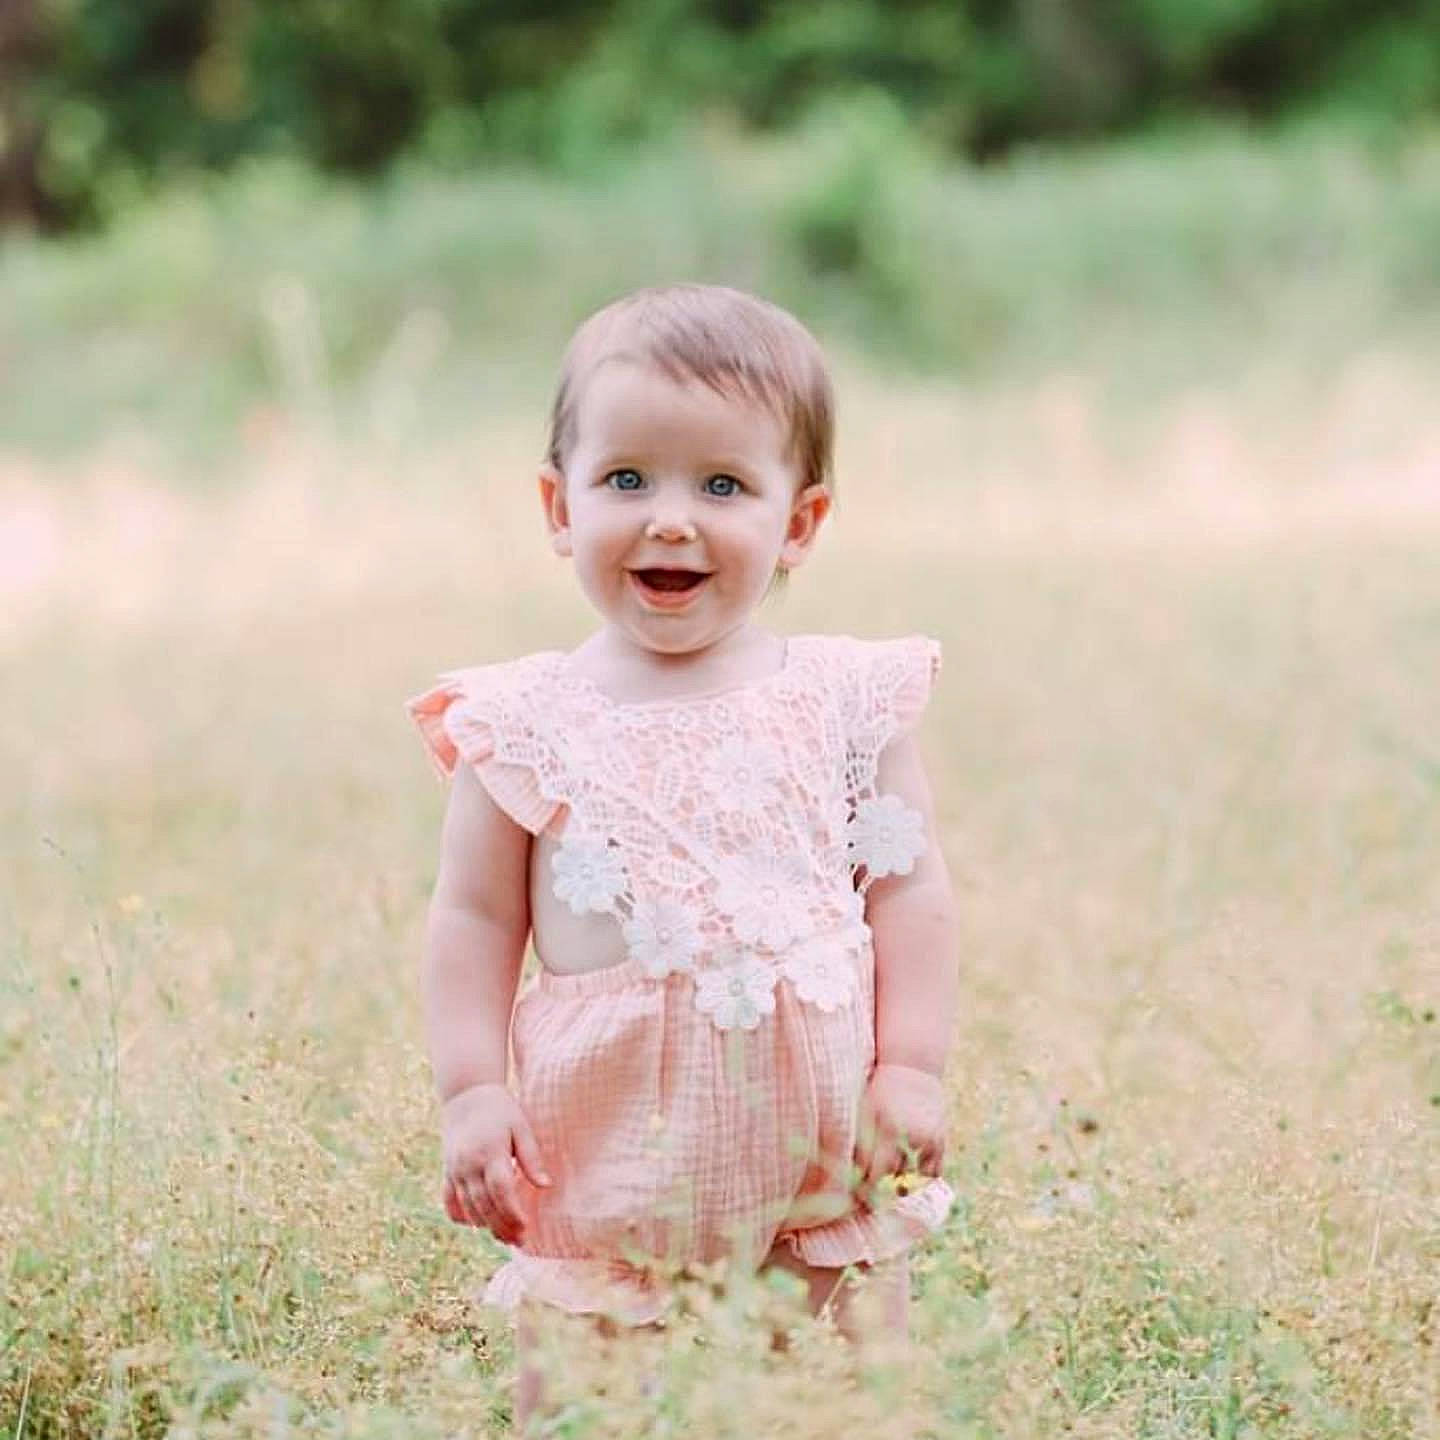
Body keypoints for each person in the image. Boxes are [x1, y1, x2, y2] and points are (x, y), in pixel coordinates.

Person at [406, 282, 959, 1428]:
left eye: (722, 485)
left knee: (859, 1384)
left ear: (798, 522)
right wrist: (471, 1093)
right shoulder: (521, 723)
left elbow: (909, 891)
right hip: (607, 1147)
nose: (670, 519)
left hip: (821, 1134)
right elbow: (470, 921)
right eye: (626, 481)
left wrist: (910, 1066)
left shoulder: (846, 702)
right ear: (558, 506)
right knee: (583, 1392)